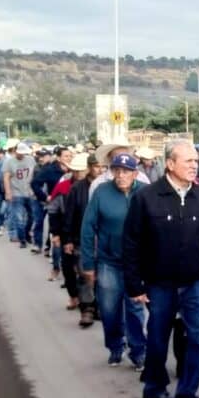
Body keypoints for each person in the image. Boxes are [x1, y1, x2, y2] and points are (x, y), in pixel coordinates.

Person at [123, 140, 199, 398]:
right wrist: (135, 284)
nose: (195, 166)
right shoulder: (147, 198)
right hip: (159, 283)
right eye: (188, 161)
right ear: (169, 164)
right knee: (157, 338)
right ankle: (154, 388)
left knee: (197, 339)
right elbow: (131, 243)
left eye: (196, 161)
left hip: (195, 284)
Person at [80, 153, 147, 368]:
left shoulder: (145, 193)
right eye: (116, 170)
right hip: (108, 261)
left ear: (135, 174)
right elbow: (88, 228)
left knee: (136, 308)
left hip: (137, 263)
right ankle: (115, 347)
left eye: (126, 171)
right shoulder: (101, 192)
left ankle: (138, 352)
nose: (120, 175)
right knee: (109, 309)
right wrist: (88, 263)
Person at [64, 155, 102, 327]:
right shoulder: (77, 189)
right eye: (96, 166)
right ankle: (86, 308)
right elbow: (70, 214)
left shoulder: (107, 187)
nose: (100, 170)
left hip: (103, 239)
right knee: (84, 274)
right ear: (89, 167)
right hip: (82, 237)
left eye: (103, 166)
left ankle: (98, 306)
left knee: (102, 277)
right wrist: (68, 239)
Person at [49, 153, 90, 308]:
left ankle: (89, 302)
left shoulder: (96, 187)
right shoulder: (64, 186)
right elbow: (53, 210)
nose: (79, 174)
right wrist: (56, 233)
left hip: (86, 233)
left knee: (86, 270)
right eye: (76, 170)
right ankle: (73, 296)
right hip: (67, 232)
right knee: (68, 266)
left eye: (82, 170)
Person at [3, 143, 37, 248]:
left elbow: (36, 174)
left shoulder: (31, 160)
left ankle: (27, 234)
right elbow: (6, 177)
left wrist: (36, 189)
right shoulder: (9, 162)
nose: (22, 155)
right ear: (15, 151)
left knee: (32, 216)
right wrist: (8, 192)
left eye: (24, 153)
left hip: (29, 192)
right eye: (20, 152)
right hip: (16, 193)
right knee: (19, 219)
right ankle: (22, 240)